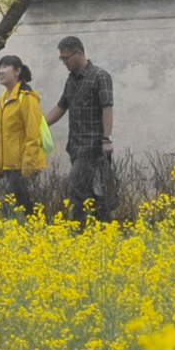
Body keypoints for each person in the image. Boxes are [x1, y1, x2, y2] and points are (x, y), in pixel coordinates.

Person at [45, 35, 116, 219]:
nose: (64, 62)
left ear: (78, 53)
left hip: (93, 147)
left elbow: (107, 107)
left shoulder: (100, 76)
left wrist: (107, 140)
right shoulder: (71, 81)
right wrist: (40, 125)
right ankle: (103, 234)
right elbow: (61, 106)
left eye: (65, 58)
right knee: (94, 195)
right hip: (75, 147)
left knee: (78, 191)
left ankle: (78, 232)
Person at [0, 56, 47, 213]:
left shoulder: (27, 98)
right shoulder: (3, 100)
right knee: (24, 210)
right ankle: (36, 233)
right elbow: (2, 137)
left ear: (17, 71)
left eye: (6, 66)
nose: (0, 71)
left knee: (11, 209)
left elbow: (34, 135)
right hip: (9, 166)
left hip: (22, 166)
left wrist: (27, 169)